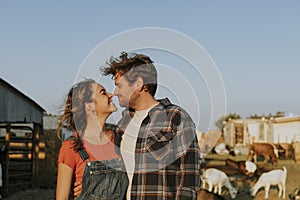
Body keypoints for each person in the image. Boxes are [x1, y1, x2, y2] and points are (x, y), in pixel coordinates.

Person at [102, 52, 201, 199]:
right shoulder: (124, 122)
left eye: (119, 86)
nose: (115, 92)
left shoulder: (176, 117)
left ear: (138, 84)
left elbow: (189, 179)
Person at [56, 79, 128, 200]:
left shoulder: (121, 141)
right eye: (103, 93)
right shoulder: (71, 147)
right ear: (89, 106)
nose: (111, 94)